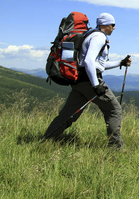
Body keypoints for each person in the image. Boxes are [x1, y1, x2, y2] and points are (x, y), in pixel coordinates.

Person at [44, 13, 132, 149]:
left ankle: (47, 140)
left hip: (79, 81)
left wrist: (120, 63)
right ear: (105, 24)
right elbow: (89, 61)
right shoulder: (99, 37)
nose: (114, 28)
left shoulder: (91, 35)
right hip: (90, 81)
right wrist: (96, 85)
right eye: (112, 25)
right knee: (115, 110)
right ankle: (116, 149)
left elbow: (98, 65)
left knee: (68, 114)